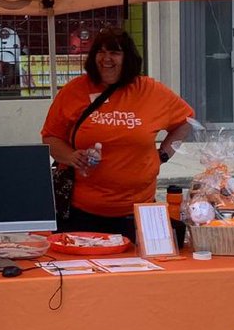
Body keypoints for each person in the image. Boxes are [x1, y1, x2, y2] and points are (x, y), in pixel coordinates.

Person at [41, 27, 193, 242]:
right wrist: (71, 157)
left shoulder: (151, 91)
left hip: (138, 212)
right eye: (100, 52)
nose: (106, 59)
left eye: (114, 52)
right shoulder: (74, 91)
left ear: (127, 57)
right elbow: (50, 137)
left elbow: (185, 121)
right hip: (80, 213)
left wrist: (163, 155)